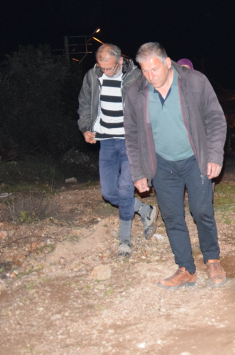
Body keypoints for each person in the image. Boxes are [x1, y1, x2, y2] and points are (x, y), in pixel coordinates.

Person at [124, 42, 227, 289]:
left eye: (154, 69)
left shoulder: (195, 82)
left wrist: (214, 156)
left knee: (201, 211)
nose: (150, 76)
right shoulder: (135, 92)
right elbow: (132, 135)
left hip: (195, 159)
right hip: (161, 163)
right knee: (172, 216)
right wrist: (138, 172)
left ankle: (212, 260)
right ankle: (185, 269)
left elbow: (215, 119)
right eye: (144, 71)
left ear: (167, 63)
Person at [78, 43, 158, 258]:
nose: (105, 71)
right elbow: (84, 104)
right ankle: (145, 210)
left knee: (124, 189)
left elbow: (149, 105)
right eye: (101, 67)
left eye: (110, 68)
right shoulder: (92, 76)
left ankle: (124, 241)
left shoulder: (135, 77)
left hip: (129, 142)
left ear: (121, 61)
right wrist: (86, 128)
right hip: (106, 141)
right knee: (108, 192)